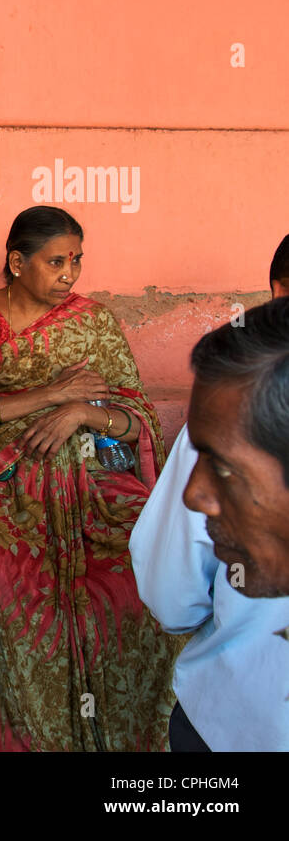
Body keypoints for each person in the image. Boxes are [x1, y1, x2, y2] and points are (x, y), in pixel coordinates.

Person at [0, 205, 181, 750]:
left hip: (97, 482)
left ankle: (130, 740)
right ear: (17, 262)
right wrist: (49, 396)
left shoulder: (94, 322)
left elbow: (134, 419)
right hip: (7, 478)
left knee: (139, 562)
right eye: (55, 262)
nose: (70, 274)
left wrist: (82, 414)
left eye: (76, 260)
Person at [130, 237, 289, 751]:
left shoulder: (241, 403)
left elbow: (173, 595)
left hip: (229, 719)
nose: (197, 495)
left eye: (221, 468)